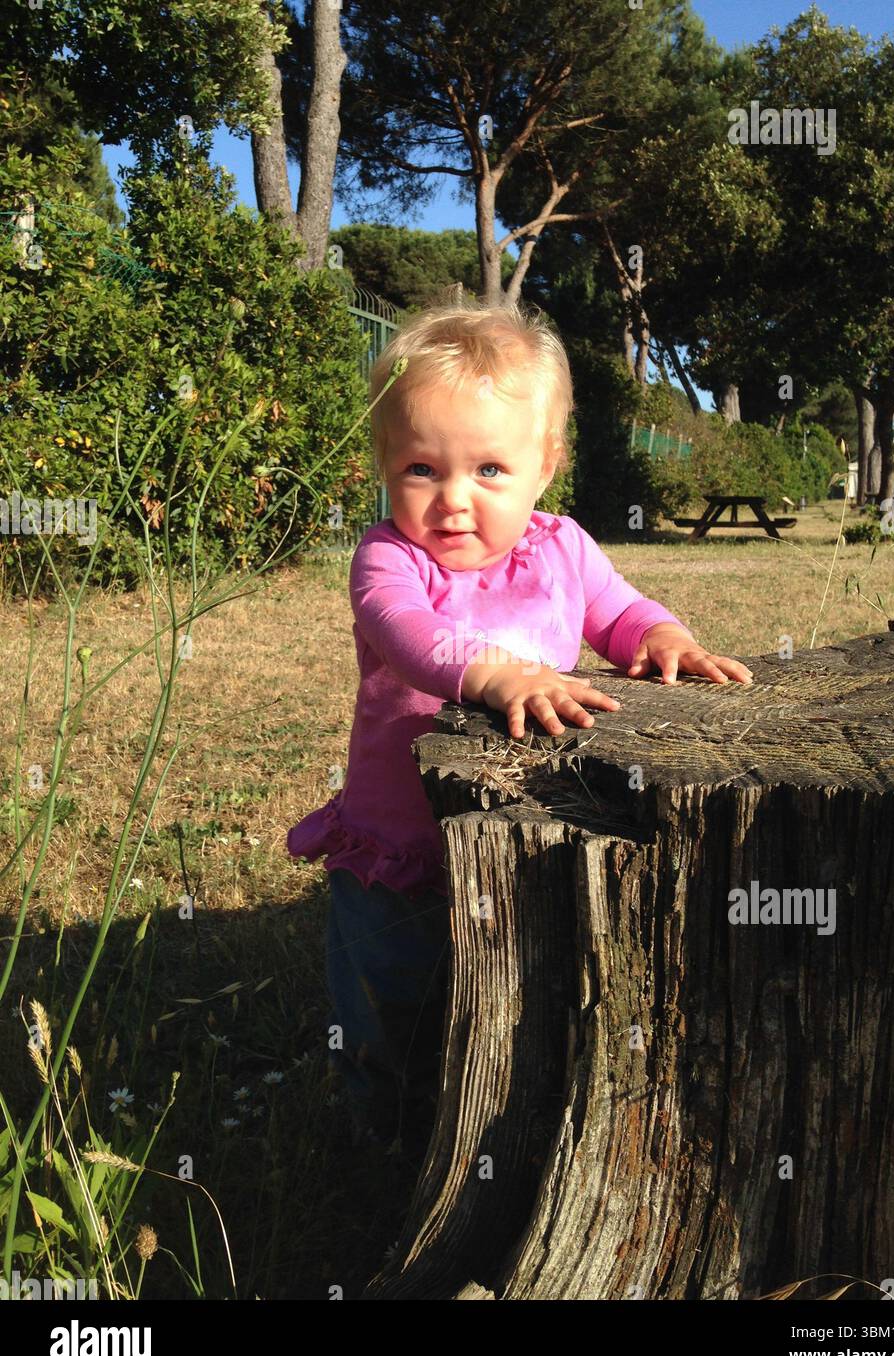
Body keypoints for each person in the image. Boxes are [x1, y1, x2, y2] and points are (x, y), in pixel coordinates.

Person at [287, 295, 753, 1157]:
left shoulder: (564, 547)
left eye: (488, 471)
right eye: (421, 469)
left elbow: (619, 610)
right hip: (403, 841)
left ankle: (504, 1127)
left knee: (512, 994)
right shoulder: (389, 556)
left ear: (547, 465)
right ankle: (383, 1131)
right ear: (386, 466)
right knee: (394, 993)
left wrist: (662, 636)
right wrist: (491, 670)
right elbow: (406, 632)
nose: (452, 501)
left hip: (527, 832)